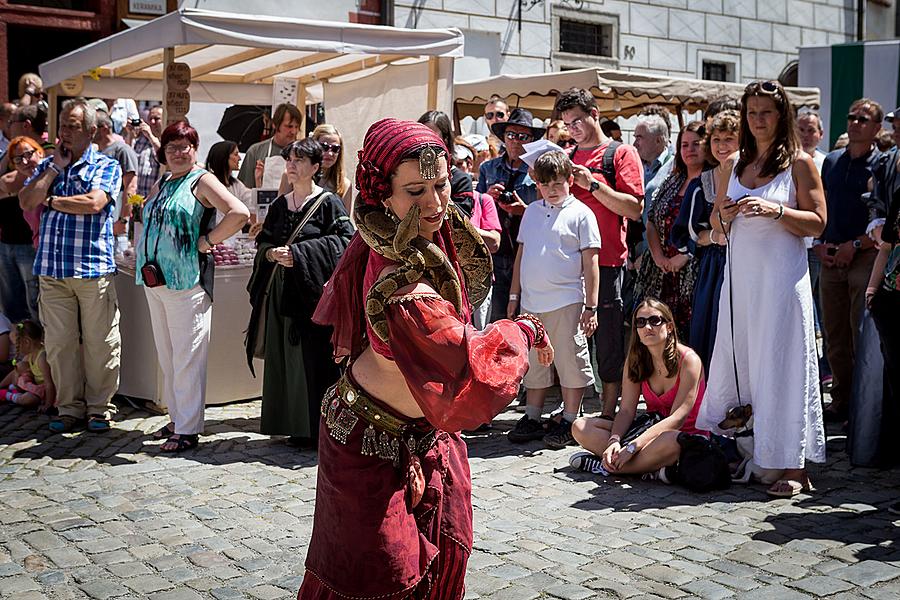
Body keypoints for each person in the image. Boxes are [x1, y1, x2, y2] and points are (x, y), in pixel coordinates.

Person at [298, 118, 553, 598]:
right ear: (382, 197)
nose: (435, 204)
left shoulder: (419, 240)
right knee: (379, 580)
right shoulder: (409, 292)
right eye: (415, 191)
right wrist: (524, 327)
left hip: (415, 433)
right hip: (367, 441)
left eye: (440, 185)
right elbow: (474, 368)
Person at [700, 80, 827, 498]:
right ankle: (759, 451)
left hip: (781, 284)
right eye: (751, 112)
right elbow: (717, 226)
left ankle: (795, 464)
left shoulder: (801, 163)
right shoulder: (734, 164)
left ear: (782, 116)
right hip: (741, 286)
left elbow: (818, 222)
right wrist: (728, 215)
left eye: (766, 112)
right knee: (749, 368)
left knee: (784, 367)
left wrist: (776, 210)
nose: (758, 120)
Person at [136, 121, 249, 452]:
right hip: (157, 280)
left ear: (195, 148)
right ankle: (176, 417)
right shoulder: (166, 180)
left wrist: (207, 241)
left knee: (187, 356)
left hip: (188, 281)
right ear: (163, 151)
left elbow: (239, 212)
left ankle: (187, 428)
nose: (178, 152)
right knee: (168, 356)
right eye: (172, 146)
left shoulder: (201, 180)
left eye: (185, 146)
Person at [19, 98, 123, 434]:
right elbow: (25, 200)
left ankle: (99, 409)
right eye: (62, 124)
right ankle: (68, 408)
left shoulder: (106, 166)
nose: (65, 131)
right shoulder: (49, 165)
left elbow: (94, 203)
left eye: (73, 126)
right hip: (52, 269)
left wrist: (50, 201)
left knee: (99, 343)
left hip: (92, 268)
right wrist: (52, 171)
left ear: (91, 132)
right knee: (60, 344)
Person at [248, 139, 353, 448]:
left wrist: (300, 253)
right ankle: (290, 425)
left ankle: (318, 429)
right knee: (285, 359)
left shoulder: (329, 202)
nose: (291, 165)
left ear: (316, 167)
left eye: (299, 159)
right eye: (289, 159)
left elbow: (345, 242)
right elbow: (264, 243)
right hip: (282, 293)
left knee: (316, 359)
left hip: (312, 295)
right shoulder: (281, 204)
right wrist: (272, 255)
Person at [555, 87, 645, 419]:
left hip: (607, 260)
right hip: (566, 261)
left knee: (607, 339)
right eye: (567, 124)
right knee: (568, 338)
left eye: (577, 120)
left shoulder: (619, 154)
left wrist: (592, 183)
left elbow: (634, 208)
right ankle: (572, 409)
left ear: (595, 114)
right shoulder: (565, 154)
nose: (573, 129)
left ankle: (610, 412)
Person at [506, 150, 600, 448]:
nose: (553, 189)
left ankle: (571, 419)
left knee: (570, 359)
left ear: (570, 180)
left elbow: (591, 262)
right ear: (538, 185)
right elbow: (522, 254)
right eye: (546, 185)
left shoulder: (582, 214)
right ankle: (533, 416)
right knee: (535, 363)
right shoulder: (532, 211)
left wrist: (591, 306)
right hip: (532, 304)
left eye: (558, 183)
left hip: (567, 299)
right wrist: (514, 295)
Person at [570, 298, 706, 479]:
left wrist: (633, 447)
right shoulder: (635, 361)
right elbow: (626, 410)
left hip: (681, 436)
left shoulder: (689, 361)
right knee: (580, 427)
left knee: (671, 440)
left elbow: (677, 419)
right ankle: (649, 470)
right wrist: (614, 441)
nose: (647, 327)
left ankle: (607, 467)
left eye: (654, 320)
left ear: (670, 327)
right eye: (640, 323)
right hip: (647, 433)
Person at [816, 98, 883, 422]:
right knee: (833, 335)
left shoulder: (882, 164)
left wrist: (855, 245)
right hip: (830, 256)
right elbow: (823, 206)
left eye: (863, 118)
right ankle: (840, 398)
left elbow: (884, 220)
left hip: (865, 256)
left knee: (860, 335)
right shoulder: (832, 161)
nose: (855, 122)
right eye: (851, 116)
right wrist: (818, 243)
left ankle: (863, 407)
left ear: (877, 128)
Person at [671, 111, 738, 371]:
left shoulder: (751, 177)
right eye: (716, 140)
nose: (722, 146)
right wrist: (714, 237)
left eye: (729, 139)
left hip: (748, 262)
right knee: (711, 327)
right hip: (714, 267)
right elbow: (686, 233)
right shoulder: (704, 183)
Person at [634, 121, 709, 339]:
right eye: (684, 145)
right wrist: (658, 256)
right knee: (656, 337)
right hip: (659, 272)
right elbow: (651, 222)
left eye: (696, 144)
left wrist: (684, 256)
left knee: (689, 339)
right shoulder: (673, 179)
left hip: (694, 273)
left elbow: (713, 227)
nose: (689, 150)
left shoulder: (712, 182)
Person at [476, 108, 544, 322]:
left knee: (524, 317)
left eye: (523, 136)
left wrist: (524, 211)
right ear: (503, 137)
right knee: (495, 317)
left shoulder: (538, 171)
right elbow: (475, 207)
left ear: (531, 140)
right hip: (495, 252)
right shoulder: (488, 168)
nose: (515, 141)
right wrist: (487, 198)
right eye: (511, 135)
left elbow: (547, 212)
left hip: (525, 252)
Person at [0, 137, 43, 322]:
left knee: (34, 303)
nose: (25, 161)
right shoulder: (7, 180)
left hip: (29, 247)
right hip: (6, 245)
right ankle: (20, 347)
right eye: (18, 159)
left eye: (28, 154)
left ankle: (39, 347)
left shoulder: (47, 178)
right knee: (11, 304)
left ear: (39, 152)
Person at [418, 110, 475, 216]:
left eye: (441, 184)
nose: (426, 144)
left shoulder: (460, 180)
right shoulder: (410, 174)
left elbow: (463, 219)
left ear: (446, 140)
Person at [95, 109, 138, 236]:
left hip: (116, 222)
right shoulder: (97, 152)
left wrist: (124, 220)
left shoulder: (122, 150)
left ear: (104, 128)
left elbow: (131, 186)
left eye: (92, 127)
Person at [237, 103, 301, 189]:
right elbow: (244, 190)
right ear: (275, 124)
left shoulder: (302, 153)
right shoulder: (255, 151)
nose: (293, 131)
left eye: (296, 127)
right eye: (289, 126)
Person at [0, 320, 54, 412]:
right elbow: (15, 371)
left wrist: (48, 404)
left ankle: (9, 395)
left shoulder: (41, 358)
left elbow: (49, 384)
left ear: (27, 342)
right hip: (36, 386)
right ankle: (7, 389)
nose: (16, 348)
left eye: (17, 345)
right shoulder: (30, 355)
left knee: (28, 399)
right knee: (20, 366)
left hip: (44, 391)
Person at [204, 140, 254, 223]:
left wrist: (258, 179)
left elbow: (252, 202)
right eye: (235, 154)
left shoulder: (236, 184)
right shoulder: (209, 183)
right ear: (224, 157)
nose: (240, 158)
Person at [311, 124, 352, 213]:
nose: (330, 153)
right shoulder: (294, 176)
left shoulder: (344, 184)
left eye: (335, 148)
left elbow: (344, 223)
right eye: (324, 147)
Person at [126, 104, 163, 201]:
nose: (152, 122)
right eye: (150, 119)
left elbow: (163, 159)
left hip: (154, 200)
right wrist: (130, 133)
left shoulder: (166, 141)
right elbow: (128, 159)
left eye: (157, 119)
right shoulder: (141, 140)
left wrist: (150, 135)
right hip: (135, 199)